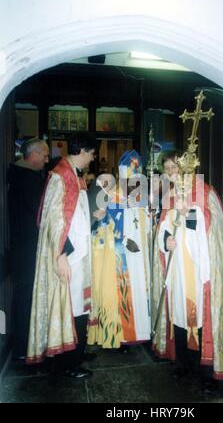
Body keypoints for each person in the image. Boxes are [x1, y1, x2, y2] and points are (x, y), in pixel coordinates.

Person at [152, 151, 223, 380]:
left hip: (197, 267)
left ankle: (203, 367)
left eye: (175, 167)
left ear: (184, 168)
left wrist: (188, 214)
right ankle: (182, 363)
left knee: (198, 314)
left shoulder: (203, 191)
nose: (171, 172)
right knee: (179, 313)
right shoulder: (169, 196)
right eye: (167, 168)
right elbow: (163, 228)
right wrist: (166, 241)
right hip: (177, 269)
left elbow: (210, 230)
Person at [26, 132, 97, 379]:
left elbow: (75, 215)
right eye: (92, 152)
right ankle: (68, 363)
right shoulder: (60, 175)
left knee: (78, 306)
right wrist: (61, 255)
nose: (93, 157)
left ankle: (75, 352)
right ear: (83, 151)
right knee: (71, 307)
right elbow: (53, 221)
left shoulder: (74, 175)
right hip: (68, 255)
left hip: (78, 253)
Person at [87, 150, 151, 349]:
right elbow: (103, 227)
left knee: (140, 290)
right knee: (122, 293)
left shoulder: (144, 199)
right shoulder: (111, 197)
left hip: (141, 255)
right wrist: (120, 239)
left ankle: (140, 332)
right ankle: (122, 336)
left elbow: (148, 226)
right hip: (121, 256)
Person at [7, 138, 49, 360]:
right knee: (25, 296)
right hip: (27, 248)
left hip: (21, 247)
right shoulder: (28, 178)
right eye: (44, 155)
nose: (46, 159)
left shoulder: (20, 175)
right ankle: (23, 347)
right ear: (33, 154)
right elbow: (40, 213)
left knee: (24, 296)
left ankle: (24, 344)